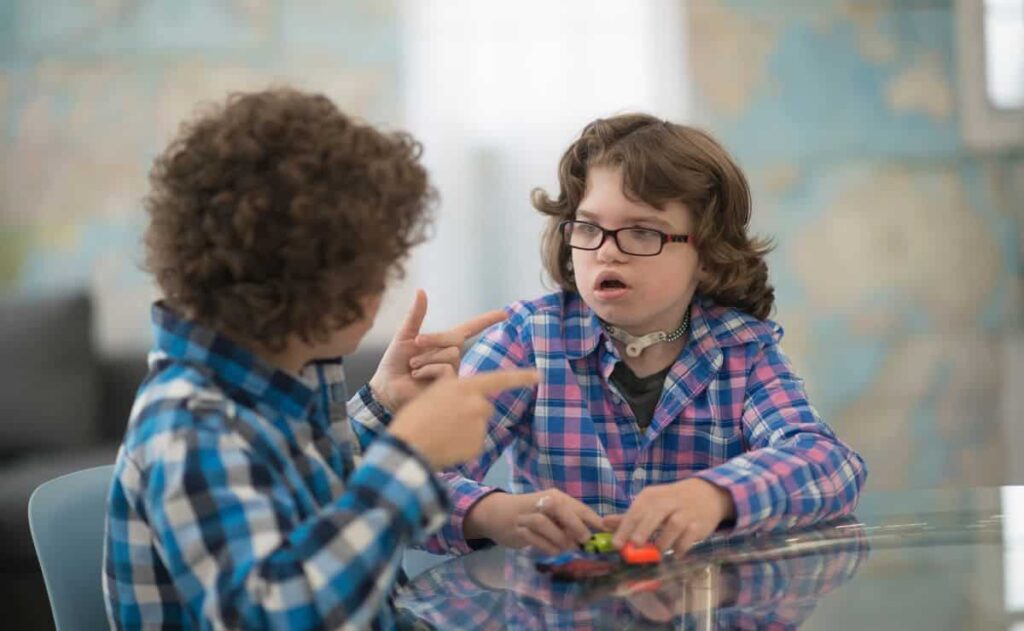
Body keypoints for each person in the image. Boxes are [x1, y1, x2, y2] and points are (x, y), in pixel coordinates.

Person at [102, 87, 536, 630]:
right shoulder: (189, 426)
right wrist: (411, 455)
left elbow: (310, 494)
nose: (385, 287)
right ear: (314, 284)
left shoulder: (277, 379)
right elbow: (283, 615)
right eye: (378, 268)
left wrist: (383, 405)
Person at [413, 113, 866, 557]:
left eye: (643, 232)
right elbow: (408, 484)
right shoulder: (527, 338)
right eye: (589, 228)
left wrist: (715, 495)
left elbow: (829, 464)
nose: (607, 251)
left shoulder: (742, 349)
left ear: (707, 255)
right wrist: (495, 514)